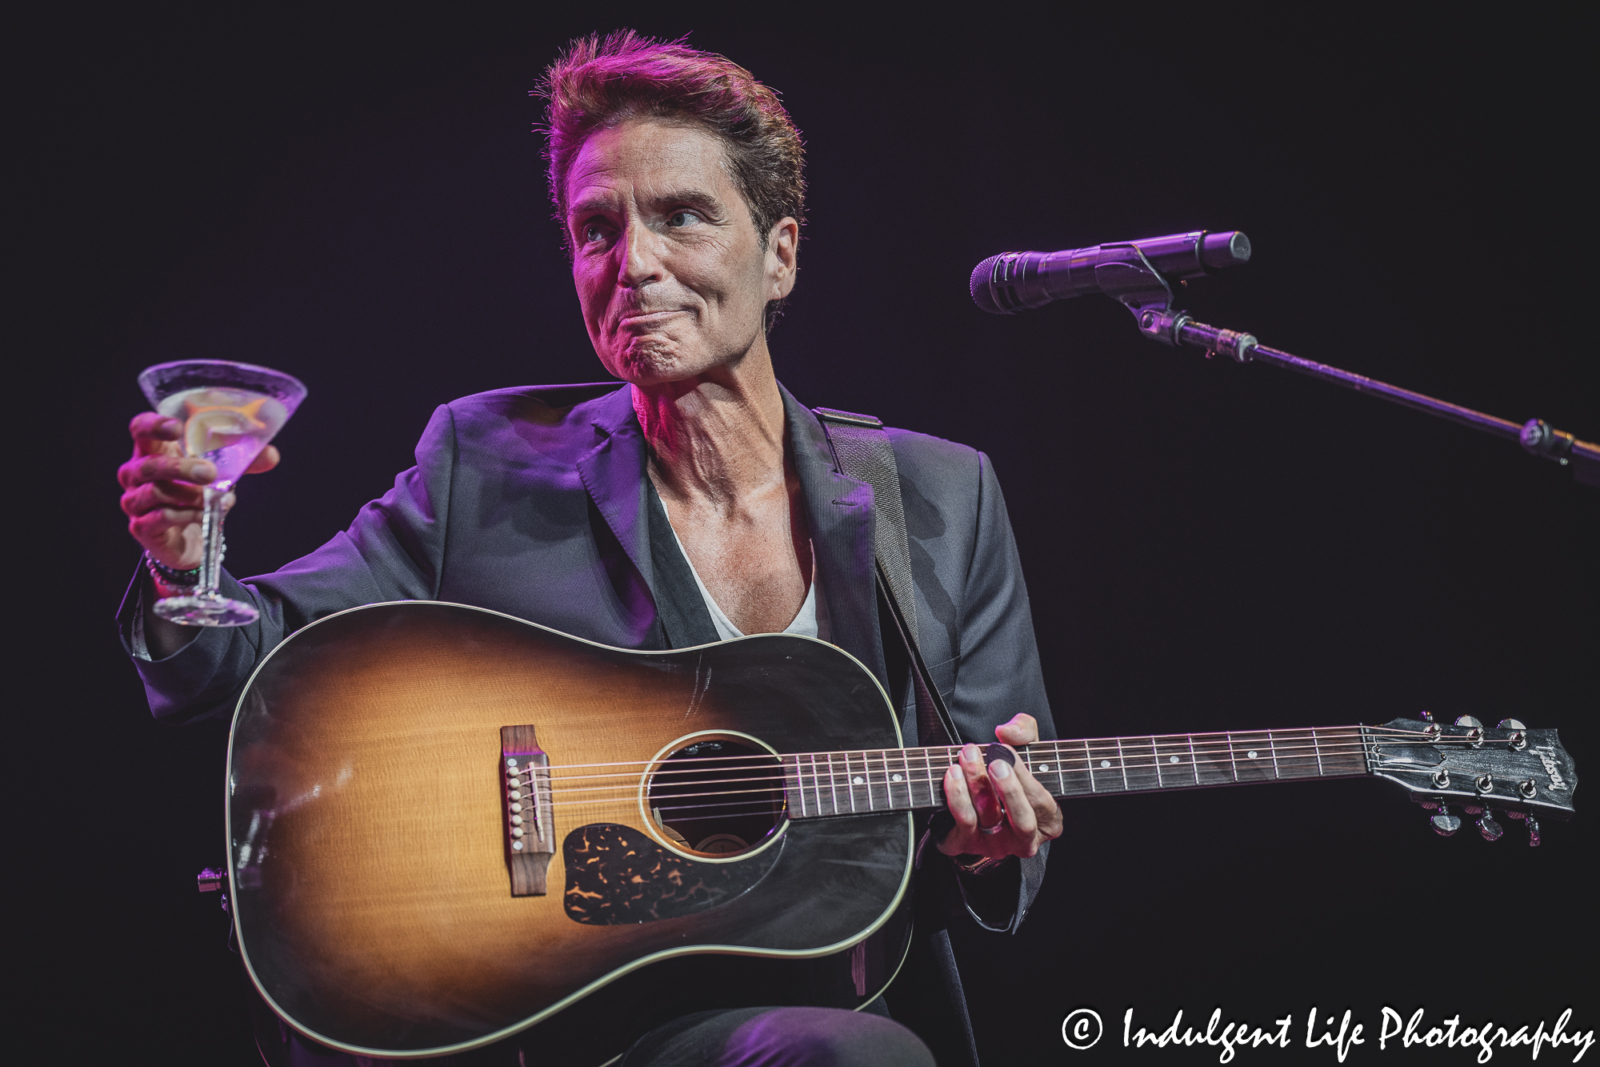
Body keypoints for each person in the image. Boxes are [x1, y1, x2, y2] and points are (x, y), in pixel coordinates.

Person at [117, 31, 1062, 1067]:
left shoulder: (937, 494)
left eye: (683, 216)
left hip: (814, 1001)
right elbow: (258, 660)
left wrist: (988, 842)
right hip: (544, 1024)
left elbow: (994, 790)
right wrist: (184, 562)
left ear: (780, 250)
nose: (635, 263)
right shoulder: (487, 459)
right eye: (596, 228)